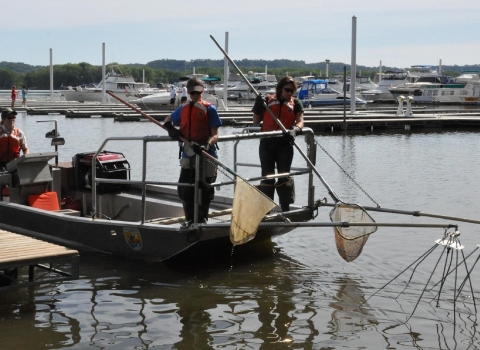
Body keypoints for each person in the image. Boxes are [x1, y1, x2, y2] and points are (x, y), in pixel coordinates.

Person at [163, 77, 222, 224]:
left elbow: (215, 134)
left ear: (203, 91)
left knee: (205, 188)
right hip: (188, 153)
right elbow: (167, 119)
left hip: (206, 153)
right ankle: (190, 219)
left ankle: (202, 220)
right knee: (185, 188)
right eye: (193, 92)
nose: (196, 95)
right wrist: (171, 128)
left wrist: (206, 144)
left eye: (198, 92)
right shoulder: (183, 108)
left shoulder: (210, 109)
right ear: (188, 92)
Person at [252, 76, 304, 212]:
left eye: (292, 91)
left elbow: (300, 121)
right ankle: (266, 209)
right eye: (287, 90)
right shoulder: (267, 101)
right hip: (267, 143)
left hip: (285, 144)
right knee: (267, 176)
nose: (289, 93)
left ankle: (285, 207)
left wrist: (296, 129)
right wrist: (258, 106)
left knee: (283, 176)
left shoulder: (296, 103)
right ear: (280, 89)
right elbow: (256, 122)